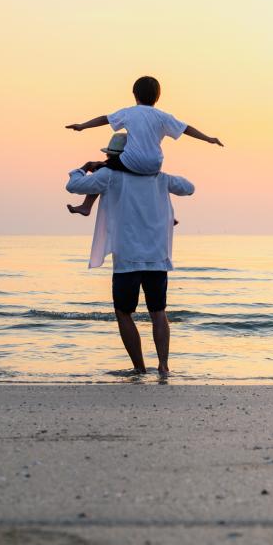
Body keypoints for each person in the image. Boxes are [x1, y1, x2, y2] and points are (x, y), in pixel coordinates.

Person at [66, 160, 195, 375]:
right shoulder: (160, 178)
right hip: (156, 258)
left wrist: (85, 166)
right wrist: (159, 174)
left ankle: (139, 368)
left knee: (123, 313)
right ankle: (163, 366)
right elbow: (189, 188)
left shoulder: (109, 175)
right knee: (158, 312)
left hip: (127, 259)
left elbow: (74, 185)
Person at [64, 75, 221, 216]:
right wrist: (208, 138)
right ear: (157, 97)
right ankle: (166, 215)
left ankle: (86, 206)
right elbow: (186, 128)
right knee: (148, 181)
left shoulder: (130, 112)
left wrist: (82, 126)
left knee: (101, 167)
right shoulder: (163, 116)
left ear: (135, 95)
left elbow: (104, 119)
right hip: (155, 165)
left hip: (132, 161)